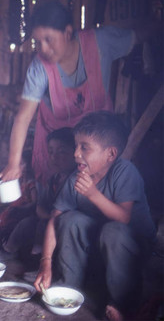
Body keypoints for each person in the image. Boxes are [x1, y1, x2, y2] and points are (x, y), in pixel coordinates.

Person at [0, 0, 139, 184]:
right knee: (54, 197)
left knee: (99, 195)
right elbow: (23, 118)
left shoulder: (101, 42)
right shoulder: (39, 67)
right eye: (38, 42)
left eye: (49, 39)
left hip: (96, 143)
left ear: (67, 32)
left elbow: (140, 35)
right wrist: (13, 162)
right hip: (56, 146)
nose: (44, 49)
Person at [33, 111, 156, 320]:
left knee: (113, 230)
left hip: (133, 249)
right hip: (99, 247)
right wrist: (45, 262)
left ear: (110, 154)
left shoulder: (124, 171)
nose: (75, 154)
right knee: (69, 219)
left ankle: (124, 303)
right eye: (76, 145)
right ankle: (69, 287)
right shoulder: (75, 178)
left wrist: (93, 194)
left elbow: (124, 218)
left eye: (84, 147)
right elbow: (54, 219)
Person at [3, 127, 75, 256]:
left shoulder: (77, 181)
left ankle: (38, 259)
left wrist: (49, 219)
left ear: (76, 153)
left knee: (44, 226)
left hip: (65, 226)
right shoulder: (53, 179)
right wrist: (45, 215)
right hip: (48, 219)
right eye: (51, 152)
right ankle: (8, 252)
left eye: (62, 152)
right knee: (27, 223)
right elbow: (40, 206)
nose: (54, 157)